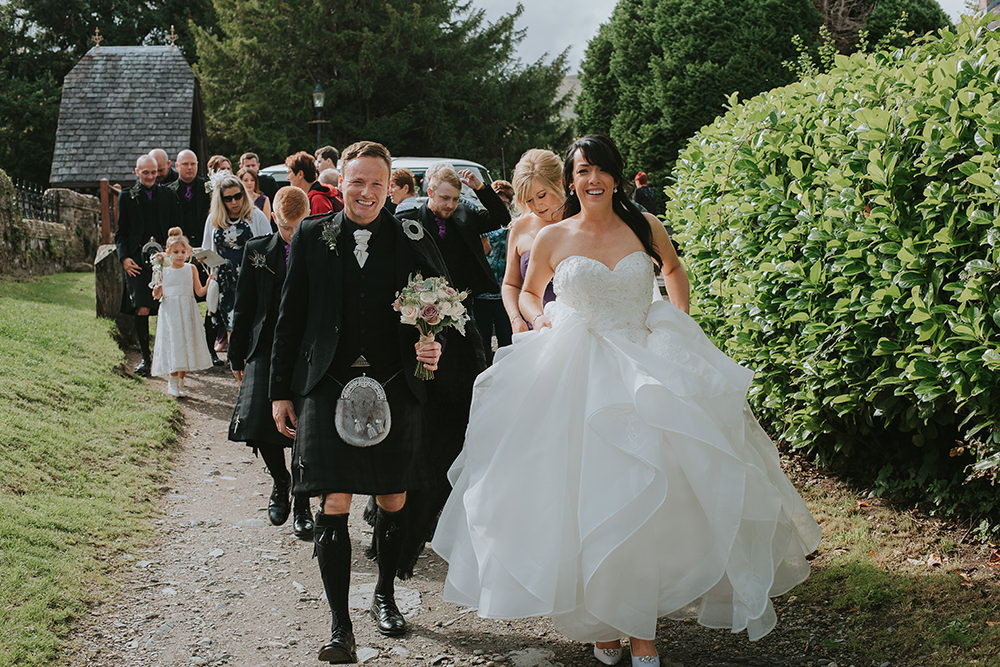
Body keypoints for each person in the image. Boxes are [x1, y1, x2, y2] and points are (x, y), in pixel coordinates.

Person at [431, 135, 821, 667]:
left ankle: (642, 633)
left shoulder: (643, 227)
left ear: (615, 175)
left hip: (645, 370)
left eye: (600, 170)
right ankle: (603, 621)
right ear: (570, 180)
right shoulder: (554, 236)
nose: (591, 180)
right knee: (586, 498)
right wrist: (538, 316)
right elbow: (524, 288)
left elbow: (674, 271)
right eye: (582, 172)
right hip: (577, 373)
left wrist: (675, 321)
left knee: (650, 493)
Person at [270, 140, 447, 664]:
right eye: (356, 182)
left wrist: (432, 345)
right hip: (325, 383)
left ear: (389, 185)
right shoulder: (310, 235)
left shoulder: (410, 235)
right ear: (339, 183)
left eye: (376, 182)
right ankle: (339, 626)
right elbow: (290, 318)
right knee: (334, 500)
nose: (365, 192)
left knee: (393, 499)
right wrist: (280, 390)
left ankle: (385, 593)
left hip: (396, 383)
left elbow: (441, 307)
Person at [229, 187, 313, 538]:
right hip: (264, 345)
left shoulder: (321, 248)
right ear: (275, 218)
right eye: (287, 227)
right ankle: (281, 480)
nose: (293, 234)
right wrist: (237, 353)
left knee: (305, 425)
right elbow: (244, 304)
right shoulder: (256, 251)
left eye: (300, 226)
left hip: (307, 347)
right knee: (262, 419)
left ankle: (303, 499)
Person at [115, 154, 177, 375]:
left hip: (164, 260)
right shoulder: (126, 196)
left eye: (154, 172)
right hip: (137, 263)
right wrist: (124, 259)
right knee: (142, 307)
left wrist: (172, 255)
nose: (150, 176)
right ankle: (146, 359)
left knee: (166, 307)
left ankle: (166, 356)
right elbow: (120, 234)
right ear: (137, 172)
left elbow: (173, 228)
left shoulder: (168, 195)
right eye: (146, 173)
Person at [201, 174, 271, 342]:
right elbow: (207, 249)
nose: (234, 202)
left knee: (250, 326)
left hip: (250, 279)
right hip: (226, 282)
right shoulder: (214, 219)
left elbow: (269, 246)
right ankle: (235, 365)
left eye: (238, 196)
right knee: (231, 327)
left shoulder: (256, 216)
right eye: (228, 198)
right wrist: (210, 267)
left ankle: (248, 366)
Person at [502, 149, 564, 332]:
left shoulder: (581, 220)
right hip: (534, 327)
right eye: (529, 200)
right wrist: (515, 319)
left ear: (558, 183)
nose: (537, 205)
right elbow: (510, 284)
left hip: (577, 326)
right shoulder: (520, 227)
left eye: (542, 195)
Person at [151, 227, 214, 396]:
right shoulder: (163, 270)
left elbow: (199, 292)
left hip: (187, 311)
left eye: (183, 251)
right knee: (174, 343)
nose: (179, 255)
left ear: (188, 253)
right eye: (176, 252)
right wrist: (157, 289)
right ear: (167, 253)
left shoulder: (191, 269)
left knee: (186, 342)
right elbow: (157, 295)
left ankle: (180, 380)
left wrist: (209, 282)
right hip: (171, 312)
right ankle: (172, 381)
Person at [473, 179, 515, 362]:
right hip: (482, 291)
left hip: (504, 290)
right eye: (498, 200)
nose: (501, 205)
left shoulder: (512, 224)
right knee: (482, 342)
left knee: (506, 340)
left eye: (505, 203)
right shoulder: (482, 222)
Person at [286, 150, 343, 215]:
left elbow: (321, 224)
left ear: (300, 174)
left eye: (289, 173)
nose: (287, 178)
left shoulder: (318, 200)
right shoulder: (317, 195)